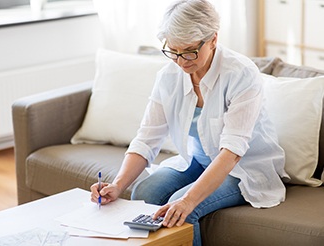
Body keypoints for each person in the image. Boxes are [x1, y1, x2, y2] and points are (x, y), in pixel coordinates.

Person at [90, 0, 290, 245]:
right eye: (173, 51)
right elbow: (147, 138)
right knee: (145, 192)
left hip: (243, 168)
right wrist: (118, 185)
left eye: (189, 51)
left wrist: (187, 201)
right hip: (198, 160)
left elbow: (232, 152)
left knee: (181, 210)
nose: (182, 61)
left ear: (213, 39)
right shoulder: (169, 76)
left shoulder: (241, 74)